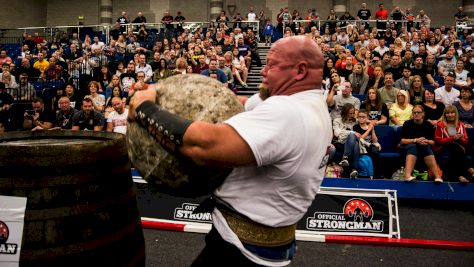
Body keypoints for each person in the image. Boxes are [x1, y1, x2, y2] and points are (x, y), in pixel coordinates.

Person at [128, 36, 332, 266]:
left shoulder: (289, 113)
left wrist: (145, 108)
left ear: (300, 70)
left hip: (241, 254)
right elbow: (233, 103)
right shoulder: (304, 102)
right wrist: (162, 90)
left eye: (271, 65)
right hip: (256, 244)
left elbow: (201, 147)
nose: (263, 71)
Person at [399, 105, 443, 182]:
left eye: (418, 112)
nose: (416, 114)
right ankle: (407, 175)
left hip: (424, 146)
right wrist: (415, 140)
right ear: (412, 114)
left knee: (426, 147)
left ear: (423, 114)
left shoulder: (428, 124)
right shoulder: (407, 123)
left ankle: (437, 176)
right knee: (413, 146)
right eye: (414, 112)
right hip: (409, 147)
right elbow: (403, 140)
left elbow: (433, 142)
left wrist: (427, 141)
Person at [434, 105, 469, 183]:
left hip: (458, 149)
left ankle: (457, 176)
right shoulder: (440, 125)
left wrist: (460, 138)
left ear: (455, 114)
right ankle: (463, 174)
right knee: (454, 146)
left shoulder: (461, 125)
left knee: (455, 148)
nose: (450, 115)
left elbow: (466, 141)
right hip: (443, 148)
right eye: (448, 113)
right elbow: (438, 141)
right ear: (445, 115)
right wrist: (452, 139)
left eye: (452, 113)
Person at [353, 109, 382, 178]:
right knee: (372, 152)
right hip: (361, 146)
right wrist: (369, 129)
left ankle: (377, 175)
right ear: (357, 117)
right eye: (360, 117)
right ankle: (367, 174)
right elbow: (361, 138)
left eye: (363, 117)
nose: (361, 118)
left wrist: (372, 129)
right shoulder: (355, 127)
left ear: (367, 118)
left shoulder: (370, 126)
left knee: (376, 152)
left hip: (370, 146)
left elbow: (375, 141)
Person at [333, 103, 359, 178]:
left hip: (351, 144)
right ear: (345, 113)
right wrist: (352, 132)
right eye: (350, 113)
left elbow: (364, 120)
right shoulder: (337, 121)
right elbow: (337, 133)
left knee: (356, 144)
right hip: (340, 143)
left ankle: (345, 159)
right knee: (352, 135)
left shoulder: (355, 121)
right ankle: (354, 168)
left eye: (353, 113)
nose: (352, 115)